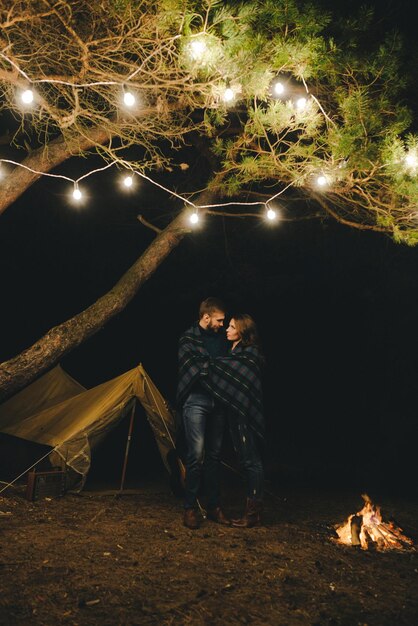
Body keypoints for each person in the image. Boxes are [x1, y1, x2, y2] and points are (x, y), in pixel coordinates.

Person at [176, 297, 231, 529]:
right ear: (206, 317)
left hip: (218, 401)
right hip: (196, 401)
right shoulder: (188, 338)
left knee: (215, 456)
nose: (222, 324)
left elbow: (230, 366)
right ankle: (189, 508)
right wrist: (216, 366)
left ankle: (214, 506)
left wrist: (216, 367)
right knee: (196, 455)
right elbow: (194, 367)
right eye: (219, 320)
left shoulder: (223, 340)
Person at [208, 313, 265, 527]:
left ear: (241, 330)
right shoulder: (232, 352)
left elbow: (245, 386)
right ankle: (251, 510)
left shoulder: (250, 354)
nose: (227, 329)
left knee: (252, 461)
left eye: (231, 326)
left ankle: (253, 514)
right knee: (246, 461)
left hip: (246, 414)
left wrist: (210, 365)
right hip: (234, 414)